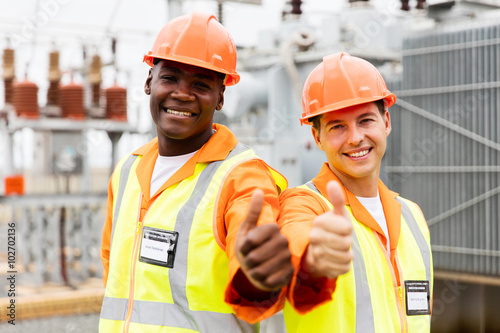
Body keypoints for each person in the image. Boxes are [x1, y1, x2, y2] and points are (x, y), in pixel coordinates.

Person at [99, 12, 293, 332]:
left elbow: (255, 272)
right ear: (149, 82)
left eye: (201, 84)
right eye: (170, 77)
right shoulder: (127, 171)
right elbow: (113, 276)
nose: (183, 94)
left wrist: (258, 273)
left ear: (220, 98)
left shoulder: (243, 177)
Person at [279, 52, 433, 332]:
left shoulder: (412, 215)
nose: (355, 138)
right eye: (338, 126)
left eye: (365, 121)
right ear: (317, 138)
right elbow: (297, 244)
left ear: (386, 122)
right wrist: (311, 259)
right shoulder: (304, 205)